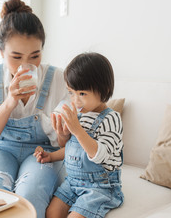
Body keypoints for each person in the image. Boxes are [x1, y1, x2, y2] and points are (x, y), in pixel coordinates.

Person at [0, 0, 69, 218]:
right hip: (2, 149)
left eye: (35, 56)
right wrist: (10, 102)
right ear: (1, 53)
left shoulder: (58, 78)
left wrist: (62, 129)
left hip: (44, 152)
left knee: (29, 196)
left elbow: (63, 143)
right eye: (16, 57)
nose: (27, 65)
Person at [34, 52, 124, 218]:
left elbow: (100, 155)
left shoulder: (111, 118)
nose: (75, 101)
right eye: (71, 92)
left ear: (105, 90)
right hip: (73, 182)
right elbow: (72, 149)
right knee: (51, 212)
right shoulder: (80, 115)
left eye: (82, 94)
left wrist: (77, 130)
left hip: (100, 187)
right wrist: (53, 153)